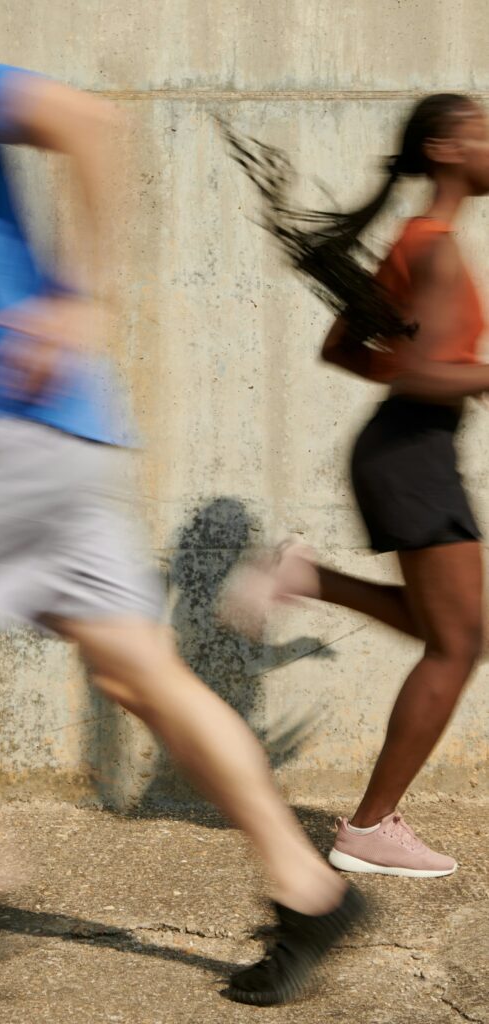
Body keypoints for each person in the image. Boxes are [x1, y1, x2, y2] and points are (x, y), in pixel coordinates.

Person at [0, 0, 366, 1002]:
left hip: (24, 440)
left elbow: (87, 121)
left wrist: (83, 296)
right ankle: (310, 889)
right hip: (69, 438)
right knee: (138, 674)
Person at [221, 93, 489, 878]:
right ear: (443, 149)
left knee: (451, 632)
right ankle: (368, 828)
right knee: (457, 644)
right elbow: (418, 373)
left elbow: (343, 349)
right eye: (483, 131)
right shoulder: (432, 249)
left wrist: (444, 373)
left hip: (406, 449)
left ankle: (307, 578)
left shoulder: (416, 241)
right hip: (410, 454)